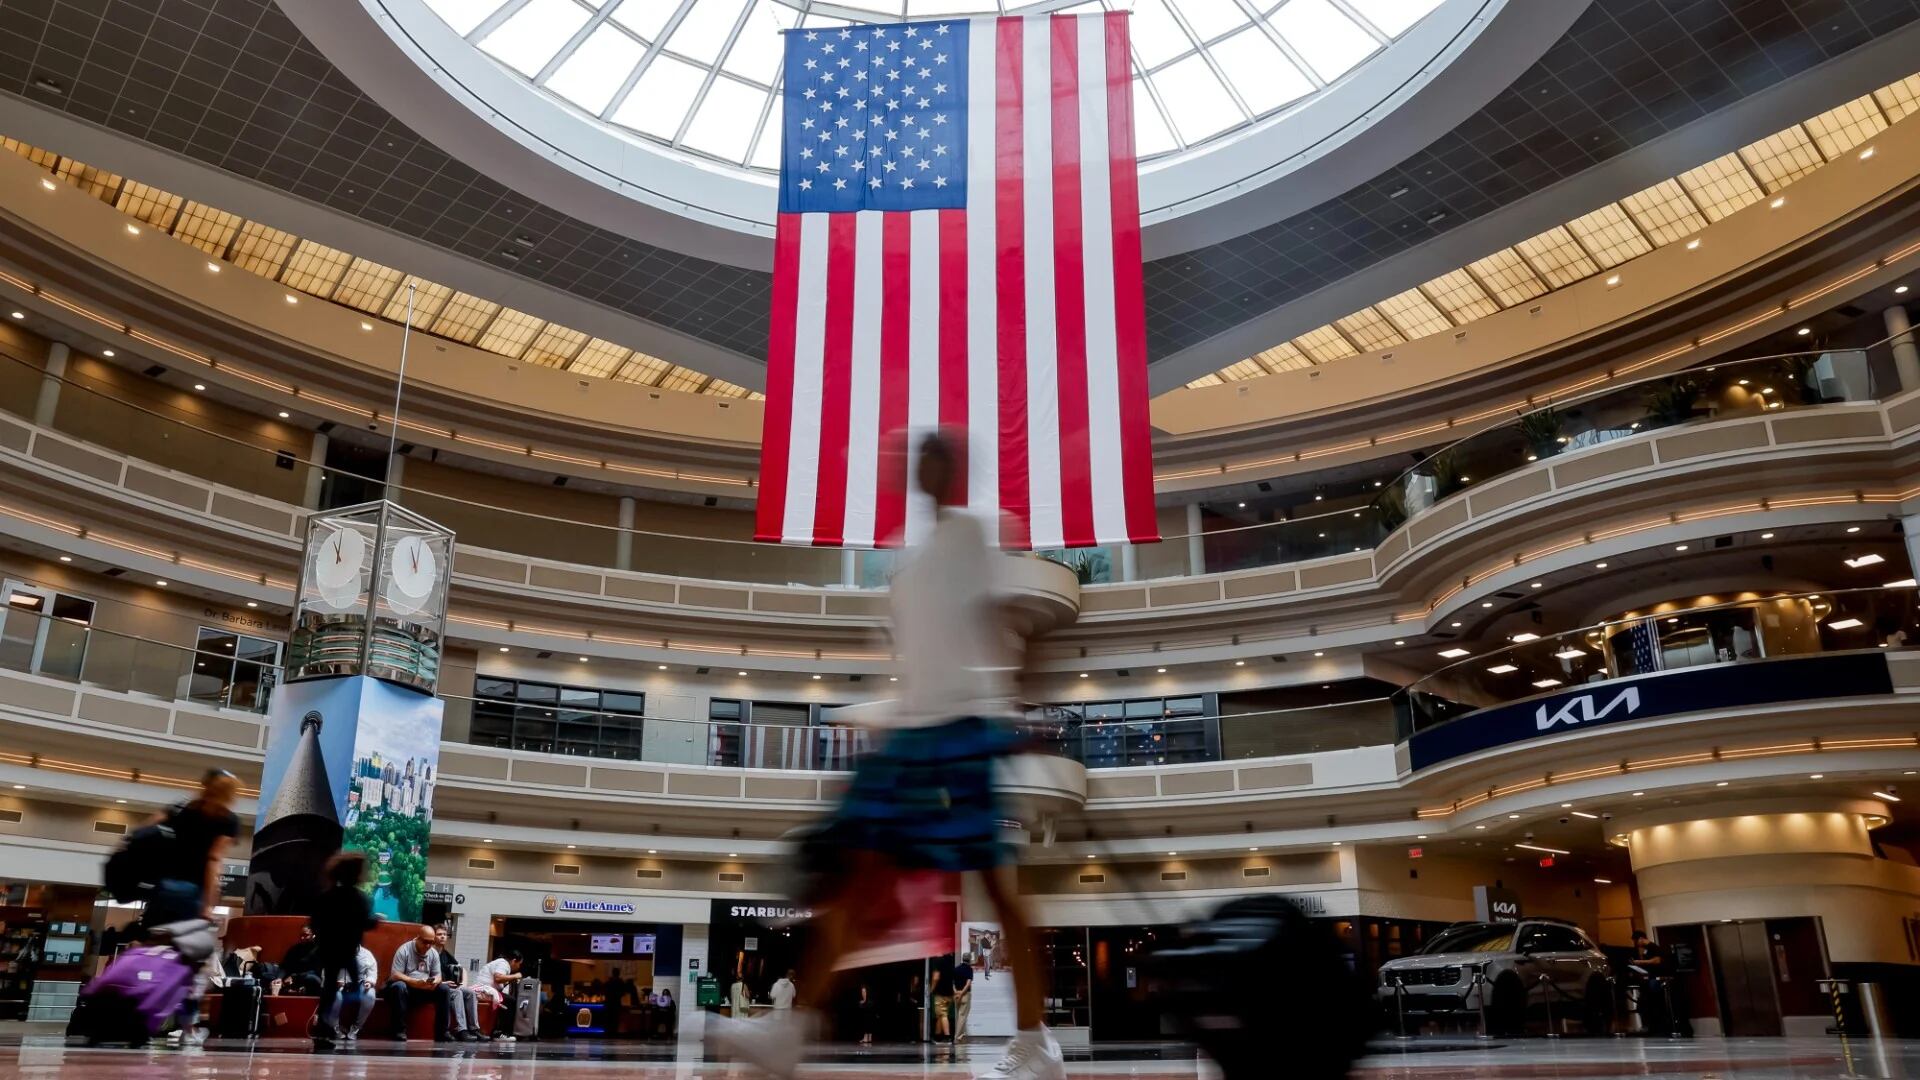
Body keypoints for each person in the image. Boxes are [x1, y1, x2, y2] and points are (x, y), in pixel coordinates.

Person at [708, 430, 1064, 1080]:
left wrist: (1020, 710)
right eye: (915, 456)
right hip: (910, 736)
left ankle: (1037, 1041)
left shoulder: (976, 533)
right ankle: (788, 1035)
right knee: (849, 873)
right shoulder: (914, 552)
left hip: (963, 729)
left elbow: (1012, 619)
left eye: (934, 455)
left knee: (993, 888)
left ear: (952, 469)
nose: (920, 465)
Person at [145, 769, 241, 925]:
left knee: (152, 938)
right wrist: (208, 905)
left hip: (163, 886)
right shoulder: (228, 820)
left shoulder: (180, 808)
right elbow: (213, 859)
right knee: (183, 943)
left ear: (205, 785)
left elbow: (147, 829)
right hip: (192, 892)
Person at [309, 852, 376, 1050]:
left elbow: (315, 923)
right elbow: (364, 923)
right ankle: (352, 993)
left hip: (329, 948)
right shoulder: (359, 898)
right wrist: (376, 921)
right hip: (347, 948)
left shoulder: (326, 896)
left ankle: (323, 1027)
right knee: (352, 979)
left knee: (329, 988)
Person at [386, 926, 447, 1042]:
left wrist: (434, 981)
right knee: (399, 986)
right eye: (425, 942)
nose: (428, 946)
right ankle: (399, 1031)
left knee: (444, 989)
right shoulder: (404, 950)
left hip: (424, 989)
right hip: (407, 989)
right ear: (417, 938)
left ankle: (442, 1033)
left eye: (431, 942)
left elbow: (438, 976)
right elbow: (395, 974)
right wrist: (414, 982)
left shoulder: (433, 953)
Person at [434, 926, 483, 1041]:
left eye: (444, 934)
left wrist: (463, 984)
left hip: (449, 985)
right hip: (439, 987)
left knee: (470, 992)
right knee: (457, 993)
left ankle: (474, 1029)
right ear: (433, 936)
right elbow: (429, 976)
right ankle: (461, 1030)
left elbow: (463, 969)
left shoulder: (446, 954)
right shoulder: (430, 953)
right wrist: (444, 982)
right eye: (439, 934)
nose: (442, 936)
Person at [474, 948, 524, 1042]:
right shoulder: (503, 964)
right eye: (519, 964)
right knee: (511, 1002)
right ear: (514, 961)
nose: (518, 967)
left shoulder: (499, 963)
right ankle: (501, 1033)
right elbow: (498, 977)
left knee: (506, 1000)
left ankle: (498, 1031)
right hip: (484, 990)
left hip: (484, 990)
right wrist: (515, 976)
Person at [282, 926, 324, 995]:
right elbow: (284, 966)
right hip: (291, 978)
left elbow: (315, 971)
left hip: (308, 977)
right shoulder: (294, 949)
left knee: (311, 978)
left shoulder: (318, 950)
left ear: (313, 935)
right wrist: (280, 978)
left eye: (306, 935)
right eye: (301, 935)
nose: (302, 938)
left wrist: (294, 977)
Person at [950, 953, 974, 1043]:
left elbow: (952, 983)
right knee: (962, 1016)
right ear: (969, 959)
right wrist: (962, 993)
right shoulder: (969, 969)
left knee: (959, 1015)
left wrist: (956, 992)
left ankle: (960, 1036)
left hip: (956, 994)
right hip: (965, 995)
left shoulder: (956, 969)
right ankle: (956, 1037)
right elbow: (968, 984)